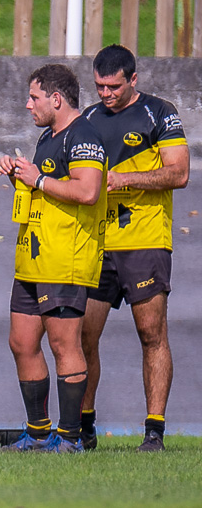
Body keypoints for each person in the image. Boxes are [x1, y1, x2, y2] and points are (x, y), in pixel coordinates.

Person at [79, 44, 187, 452]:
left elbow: (179, 173)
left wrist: (125, 180)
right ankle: (84, 428)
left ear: (133, 80)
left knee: (151, 333)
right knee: (84, 336)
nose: (106, 94)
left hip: (145, 240)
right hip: (96, 242)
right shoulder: (88, 119)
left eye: (114, 87)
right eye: (99, 87)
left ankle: (154, 431)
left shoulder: (160, 113)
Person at [0, 64, 106, 453]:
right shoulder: (49, 137)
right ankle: (38, 432)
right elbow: (45, 190)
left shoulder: (84, 136)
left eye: (34, 98)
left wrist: (38, 179)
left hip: (66, 258)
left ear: (56, 99)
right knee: (21, 342)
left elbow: (89, 191)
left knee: (64, 344)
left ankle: (71, 436)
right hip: (32, 257)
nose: (28, 105)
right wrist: (19, 177)